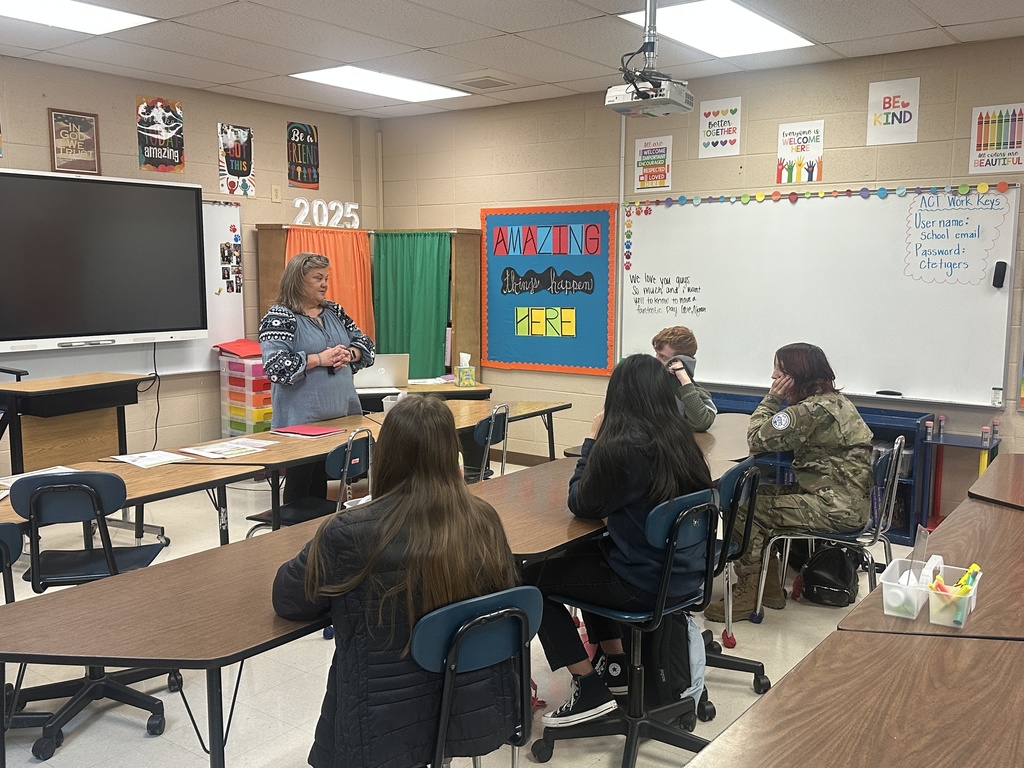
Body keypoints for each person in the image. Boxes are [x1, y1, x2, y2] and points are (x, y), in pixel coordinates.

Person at [272, 395, 521, 768]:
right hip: (464, 704)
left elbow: (289, 598)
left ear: (384, 456)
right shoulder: (483, 519)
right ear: (451, 454)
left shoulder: (349, 531)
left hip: (380, 720)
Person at [523, 354, 713, 727]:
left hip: (642, 584)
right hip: (684, 576)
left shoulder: (623, 446)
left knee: (532, 580)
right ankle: (616, 663)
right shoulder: (683, 441)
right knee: (589, 552)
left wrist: (591, 441)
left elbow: (580, 501)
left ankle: (588, 685)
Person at [704, 342, 874, 622]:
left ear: (797, 375)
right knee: (756, 494)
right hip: (843, 499)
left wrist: (772, 399)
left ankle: (748, 592)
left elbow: (757, 438)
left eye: (780, 371)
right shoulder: (834, 401)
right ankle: (768, 586)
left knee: (743, 507)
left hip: (834, 508)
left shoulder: (808, 411)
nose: (773, 376)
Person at [259, 252, 375, 502]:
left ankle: (319, 533)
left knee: (323, 481)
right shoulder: (280, 317)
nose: (325, 284)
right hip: (302, 422)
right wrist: (318, 359)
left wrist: (350, 354)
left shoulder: (335, 311)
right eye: (318, 278)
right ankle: (295, 536)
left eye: (326, 277)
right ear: (298, 281)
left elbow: (367, 345)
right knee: (302, 484)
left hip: (340, 417)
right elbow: (275, 367)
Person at [651, 326, 717, 432]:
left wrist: (684, 379)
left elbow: (702, 423)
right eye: (657, 354)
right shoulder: (646, 379)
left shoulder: (691, 389)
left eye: (663, 357)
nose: (655, 360)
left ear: (680, 361)